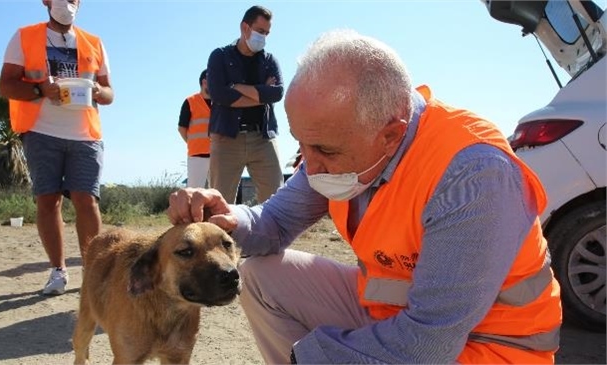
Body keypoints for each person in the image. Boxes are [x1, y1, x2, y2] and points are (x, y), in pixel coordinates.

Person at [168, 29, 562, 364]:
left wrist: (309, 356)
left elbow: (428, 343)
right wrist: (228, 218)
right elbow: (274, 222)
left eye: (324, 150)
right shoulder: (346, 144)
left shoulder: (473, 177)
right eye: (303, 145)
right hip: (394, 317)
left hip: (486, 346)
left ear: (391, 134)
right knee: (261, 277)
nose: (310, 165)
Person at [0, 0, 114, 296]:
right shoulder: (24, 36)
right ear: (46, 2)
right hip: (41, 131)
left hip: (85, 134)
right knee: (48, 201)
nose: (67, 4)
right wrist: (40, 89)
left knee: (86, 200)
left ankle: (93, 274)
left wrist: (98, 91)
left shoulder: (94, 42)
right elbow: (7, 85)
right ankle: (58, 271)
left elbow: (109, 92)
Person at [206, 5, 284, 204]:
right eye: (260, 31)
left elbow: (276, 93)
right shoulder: (220, 56)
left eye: (267, 33)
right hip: (226, 138)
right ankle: (221, 236)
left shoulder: (269, 60)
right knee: (219, 202)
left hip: (263, 138)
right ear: (245, 28)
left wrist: (236, 86)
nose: (263, 37)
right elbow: (219, 95)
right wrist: (260, 93)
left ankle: (270, 237)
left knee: (277, 200)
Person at [178, 69, 211, 188]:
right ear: (204, 82)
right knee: (194, 192)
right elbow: (182, 128)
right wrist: (192, 143)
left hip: (218, 154)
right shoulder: (190, 102)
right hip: (197, 155)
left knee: (218, 193)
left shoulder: (219, 102)